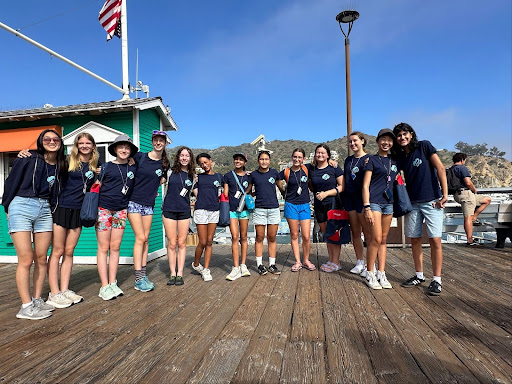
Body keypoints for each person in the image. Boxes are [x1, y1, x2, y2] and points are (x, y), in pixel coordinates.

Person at [2, 129, 66, 319]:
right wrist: (8, 207)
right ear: (40, 141)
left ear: (60, 143)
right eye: (47, 139)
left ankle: (37, 299)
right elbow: (10, 182)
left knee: (41, 257)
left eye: (56, 139)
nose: (51, 141)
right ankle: (26, 306)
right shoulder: (28, 158)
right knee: (26, 259)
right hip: (21, 205)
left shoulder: (60, 165)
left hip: (45, 209)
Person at [392, 122, 447, 296]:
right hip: (412, 203)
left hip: (432, 201)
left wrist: (445, 194)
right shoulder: (401, 157)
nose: (402, 137)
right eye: (399, 135)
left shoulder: (424, 146)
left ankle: (437, 279)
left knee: (435, 240)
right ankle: (419, 275)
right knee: (414, 240)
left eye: (405, 134)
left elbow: (440, 167)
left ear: (411, 134)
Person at [47, 133, 100, 307]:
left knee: (69, 251)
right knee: (57, 251)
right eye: (81, 143)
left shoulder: (96, 165)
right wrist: (27, 152)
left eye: (88, 143)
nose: (84, 145)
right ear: (77, 145)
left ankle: (64, 289)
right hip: (61, 208)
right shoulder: (66, 161)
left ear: (93, 145)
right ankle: (53, 293)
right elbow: (46, 158)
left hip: (79, 210)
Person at [95, 134, 138, 300]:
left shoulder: (133, 167)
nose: (124, 150)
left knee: (115, 247)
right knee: (103, 247)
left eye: (127, 147)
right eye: (120, 147)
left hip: (121, 210)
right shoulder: (105, 167)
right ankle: (104, 286)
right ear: (114, 149)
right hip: (103, 210)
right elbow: (95, 184)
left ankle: (113, 282)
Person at [128, 131, 170, 292]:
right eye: (156, 140)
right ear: (152, 142)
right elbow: (125, 164)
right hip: (134, 202)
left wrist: (154, 187)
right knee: (141, 237)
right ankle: (138, 279)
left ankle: (143, 275)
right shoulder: (140, 157)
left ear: (165, 143)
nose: (158, 143)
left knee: (145, 240)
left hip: (149, 204)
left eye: (161, 141)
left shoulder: (164, 164)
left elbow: (163, 178)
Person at [362, 129, 399, 289]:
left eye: (389, 140)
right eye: (383, 139)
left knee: (384, 239)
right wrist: (367, 206)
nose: (386, 143)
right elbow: (365, 185)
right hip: (374, 202)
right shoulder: (371, 159)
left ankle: (381, 273)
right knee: (375, 238)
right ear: (377, 141)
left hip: (389, 203)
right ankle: (370, 272)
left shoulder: (395, 160)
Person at [246, 150, 284, 275]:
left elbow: (281, 188)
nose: (264, 161)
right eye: (261, 159)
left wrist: (289, 196)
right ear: (258, 161)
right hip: (259, 209)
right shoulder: (253, 175)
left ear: (269, 161)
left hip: (273, 209)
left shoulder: (274, 173)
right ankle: (260, 264)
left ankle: (272, 264)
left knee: (272, 237)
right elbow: (248, 192)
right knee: (260, 237)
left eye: (266, 159)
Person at [162, 146, 195, 286]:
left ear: (190, 158)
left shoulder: (193, 176)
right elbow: (155, 180)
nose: (184, 158)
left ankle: (180, 273)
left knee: (181, 243)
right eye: (182, 155)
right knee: (172, 243)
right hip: (169, 209)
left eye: (187, 156)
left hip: (184, 211)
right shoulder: (170, 172)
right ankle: (172, 273)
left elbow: (199, 191)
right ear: (178, 157)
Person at [308, 144, 344, 272]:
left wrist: (326, 193)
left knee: (334, 234)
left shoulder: (334, 168)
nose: (320, 155)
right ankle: (331, 259)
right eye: (318, 152)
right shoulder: (311, 169)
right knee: (327, 235)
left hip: (333, 204)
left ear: (328, 155)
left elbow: (342, 186)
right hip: (319, 206)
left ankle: (336, 262)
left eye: (323, 153)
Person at [279, 148, 314, 272]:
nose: (297, 159)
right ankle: (297, 261)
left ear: (303, 159)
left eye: (300, 157)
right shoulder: (286, 171)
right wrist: (282, 191)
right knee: (294, 235)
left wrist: (332, 161)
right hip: (290, 205)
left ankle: (306, 260)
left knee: (306, 236)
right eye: (295, 157)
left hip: (304, 205)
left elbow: (321, 162)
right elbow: (275, 178)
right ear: (292, 157)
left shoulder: (307, 168)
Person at [344, 132, 372, 276]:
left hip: (363, 200)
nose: (353, 144)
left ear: (362, 141)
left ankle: (369, 265)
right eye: (350, 142)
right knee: (355, 233)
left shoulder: (369, 159)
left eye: (355, 141)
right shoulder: (348, 160)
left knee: (368, 234)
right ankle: (359, 262)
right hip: (350, 199)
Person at [192, 153, 223, 282]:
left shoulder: (219, 177)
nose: (204, 165)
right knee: (203, 241)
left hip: (214, 211)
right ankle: (195, 264)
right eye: (201, 164)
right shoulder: (198, 177)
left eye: (206, 162)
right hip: (201, 210)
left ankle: (206, 269)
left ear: (211, 161)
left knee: (210, 241)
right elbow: (194, 191)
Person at [451, 153, 491, 246]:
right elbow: (468, 182)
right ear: (462, 160)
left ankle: (474, 217)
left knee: (487, 200)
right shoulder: (462, 168)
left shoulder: (451, 170)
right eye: (464, 160)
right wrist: (474, 189)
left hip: (457, 194)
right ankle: (470, 240)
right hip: (466, 194)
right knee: (467, 217)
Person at [223, 153, 251, 281]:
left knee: (244, 237)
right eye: (236, 159)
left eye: (241, 160)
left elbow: (249, 192)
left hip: (244, 210)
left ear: (245, 162)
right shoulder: (228, 176)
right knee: (235, 237)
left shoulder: (249, 177)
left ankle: (243, 265)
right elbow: (225, 193)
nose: (238, 161)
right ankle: (235, 267)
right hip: (232, 210)